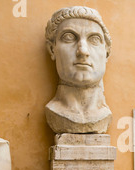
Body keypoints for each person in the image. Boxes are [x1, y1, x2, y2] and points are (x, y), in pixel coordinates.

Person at [44, 6, 113, 134]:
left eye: (94, 39)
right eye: (69, 37)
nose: (83, 51)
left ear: (107, 53)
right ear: (52, 49)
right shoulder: (54, 111)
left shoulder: (104, 115)